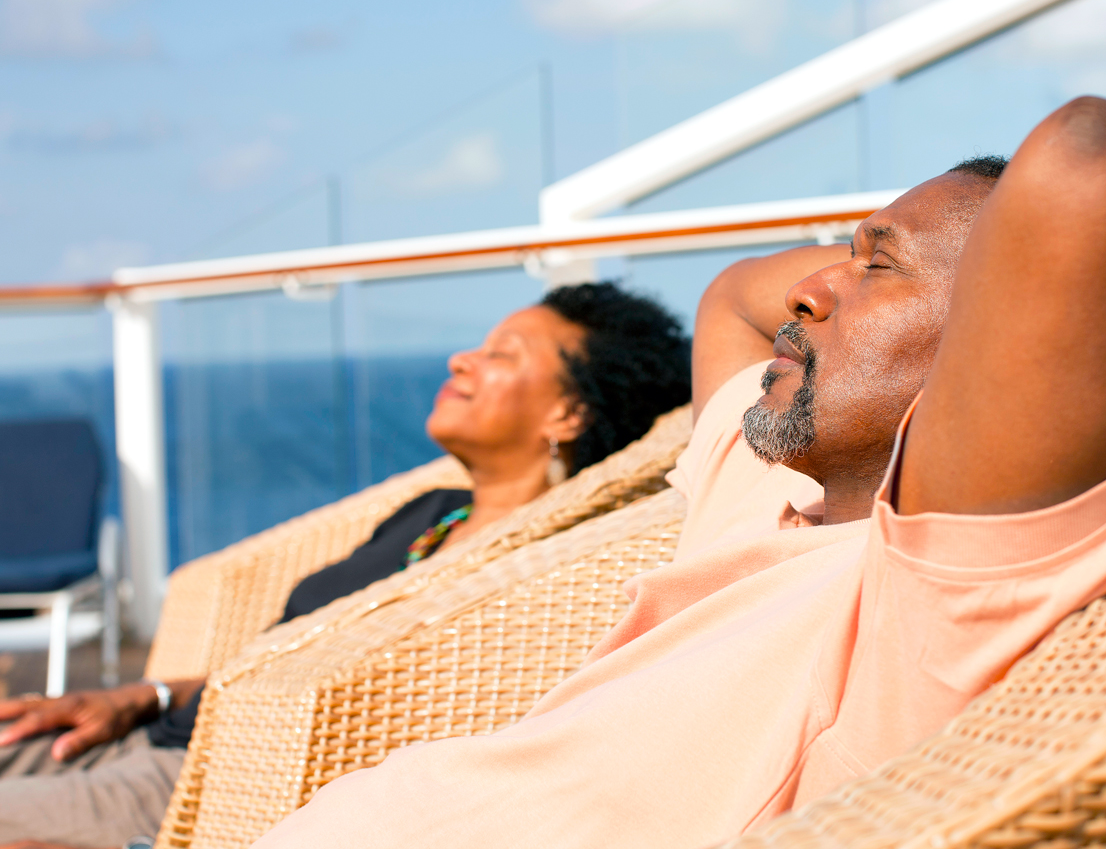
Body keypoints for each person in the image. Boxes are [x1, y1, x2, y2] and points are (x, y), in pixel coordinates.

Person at [247, 97, 1106, 849]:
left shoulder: (928, 589)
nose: (804, 290)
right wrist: (872, 265)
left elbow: (1099, 163)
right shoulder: (769, 482)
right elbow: (728, 299)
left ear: (999, 339)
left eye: (877, 268)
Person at [0, 282, 692, 849]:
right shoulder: (431, 512)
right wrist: (138, 695)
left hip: (197, 785)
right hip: (150, 733)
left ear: (569, 412)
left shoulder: (543, 573)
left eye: (501, 354)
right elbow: (281, 660)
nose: (460, 359)